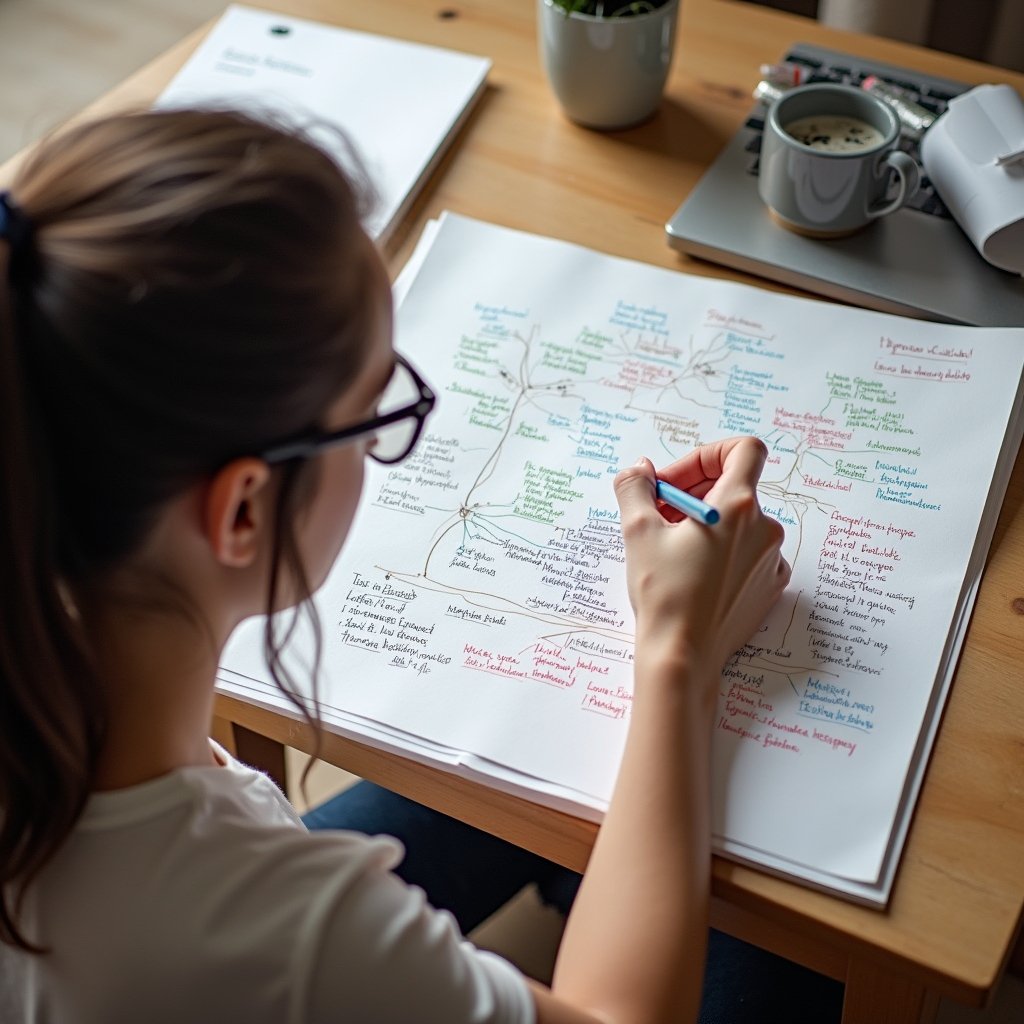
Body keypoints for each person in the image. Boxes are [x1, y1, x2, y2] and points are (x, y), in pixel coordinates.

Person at [0, 107, 838, 1023]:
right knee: (794, 932)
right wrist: (679, 652)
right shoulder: (273, 930)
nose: (383, 432)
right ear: (243, 510)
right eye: (373, 411)